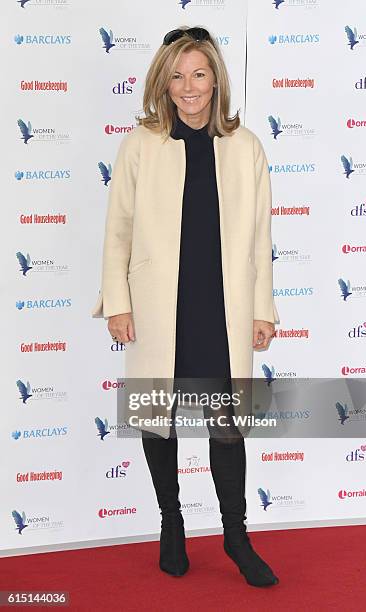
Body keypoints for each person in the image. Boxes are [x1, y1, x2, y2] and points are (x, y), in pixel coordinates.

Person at [92, 26, 280, 587]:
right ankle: (171, 527)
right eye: (177, 75)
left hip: (221, 308)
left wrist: (262, 309)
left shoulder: (245, 146)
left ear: (215, 79)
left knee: (226, 428)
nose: (188, 86)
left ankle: (235, 538)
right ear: (163, 82)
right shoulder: (140, 144)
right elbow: (118, 231)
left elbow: (260, 237)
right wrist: (117, 303)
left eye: (199, 73)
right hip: (156, 308)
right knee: (160, 423)